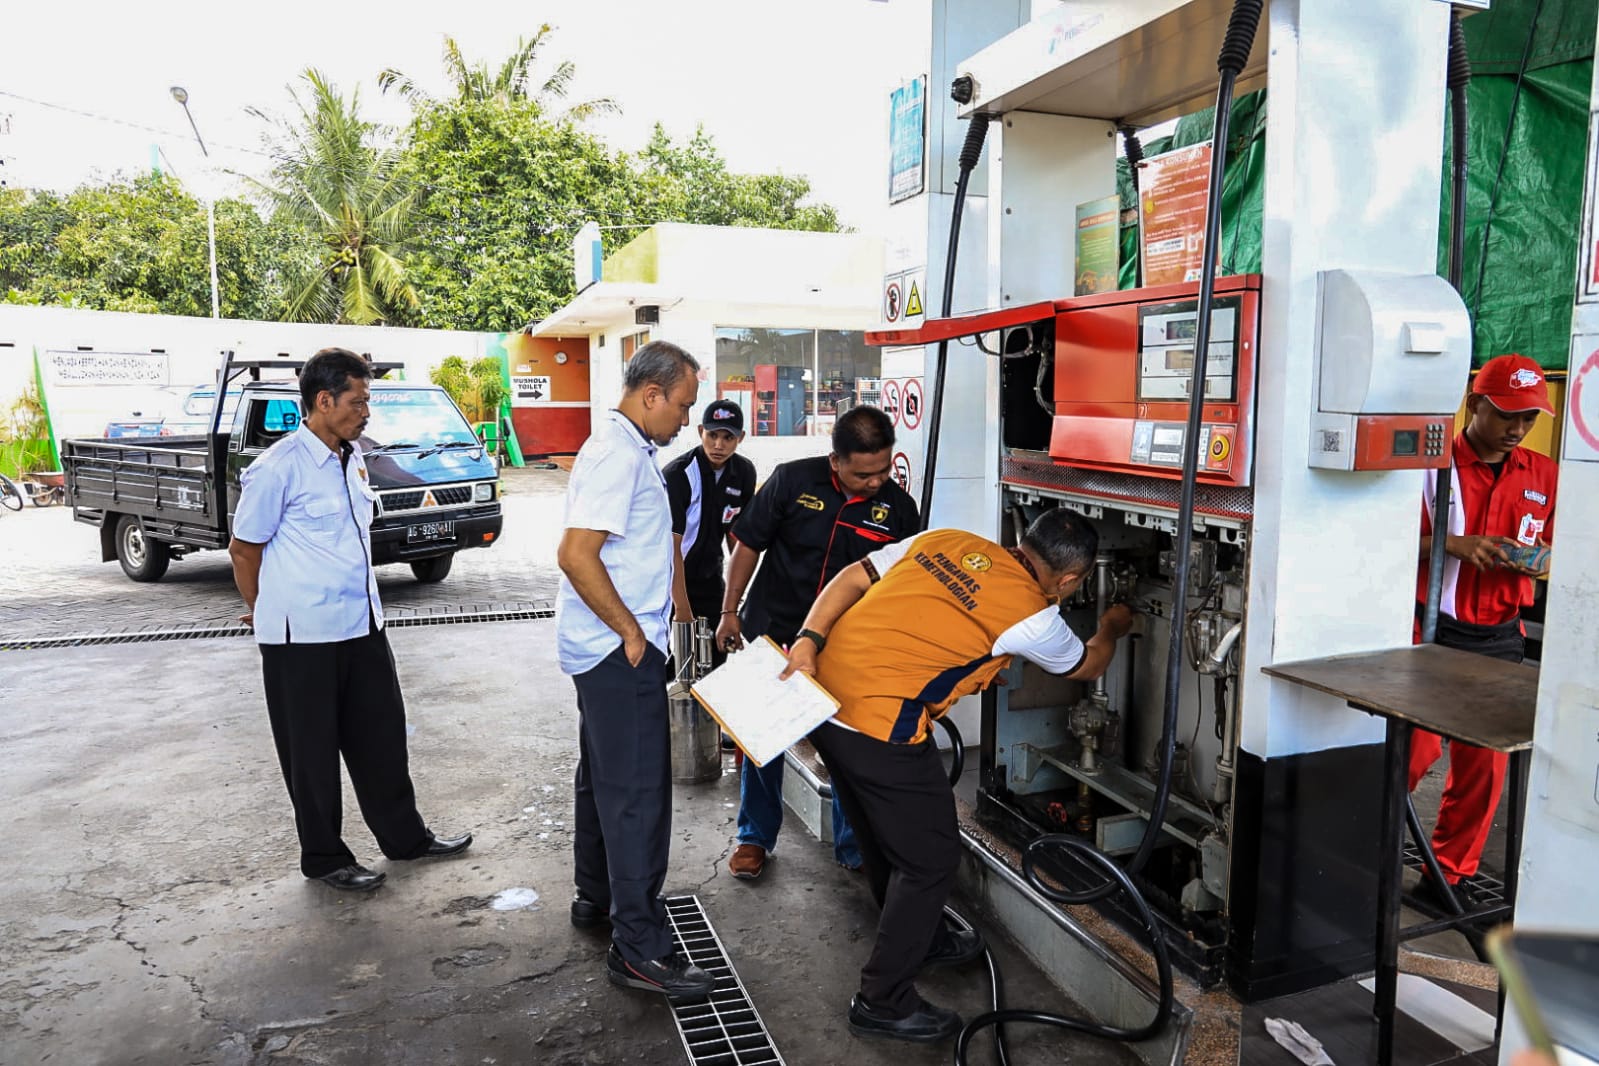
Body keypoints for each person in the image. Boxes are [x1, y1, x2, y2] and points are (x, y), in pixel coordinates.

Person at [779, 509, 1135, 1042]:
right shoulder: (1034, 619)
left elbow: (853, 574)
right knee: (931, 860)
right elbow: (1086, 666)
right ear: (1067, 581)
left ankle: (917, 940)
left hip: (820, 696)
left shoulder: (946, 539)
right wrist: (1113, 624)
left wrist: (808, 638)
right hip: (881, 725)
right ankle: (883, 1000)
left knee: (883, 834)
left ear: (1021, 541)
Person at [228, 348, 471, 894]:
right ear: (323, 400)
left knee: (381, 738)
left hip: (362, 625)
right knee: (311, 754)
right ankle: (324, 856)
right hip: (302, 638)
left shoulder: (353, 456)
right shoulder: (279, 467)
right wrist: (264, 609)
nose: (367, 412)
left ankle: (405, 839)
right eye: (358, 401)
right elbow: (244, 549)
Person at [555, 340, 715, 1001]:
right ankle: (640, 950)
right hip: (616, 654)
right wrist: (630, 634)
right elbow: (575, 554)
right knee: (637, 801)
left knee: (602, 782)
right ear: (651, 394)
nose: (685, 420)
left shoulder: (625, 450)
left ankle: (596, 897)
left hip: (603, 652)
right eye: (681, 406)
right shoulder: (617, 456)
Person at [716, 406, 919, 879]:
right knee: (763, 736)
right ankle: (754, 837)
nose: (875, 482)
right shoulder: (791, 481)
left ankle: (853, 844)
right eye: (864, 473)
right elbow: (748, 543)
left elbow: (904, 586)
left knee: (848, 747)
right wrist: (729, 611)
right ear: (836, 461)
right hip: (775, 627)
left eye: (884, 469)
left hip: (848, 646)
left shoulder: (900, 510)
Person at [1409, 353, 1557, 909]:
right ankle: (1355, 862)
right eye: (1506, 416)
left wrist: (1534, 560)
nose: (1517, 430)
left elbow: (1559, 550)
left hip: (1499, 637)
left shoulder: (1544, 474)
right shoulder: (1430, 464)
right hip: (1431, 632)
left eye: (1528, 419)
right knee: (1411, 756)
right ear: (1474, 406)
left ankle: (1445, 877)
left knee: (1483, 769)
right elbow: (1379, 541)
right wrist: (1451, 543)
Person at [665, 398, 756, 663]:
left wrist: (735, 598)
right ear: (700, 431)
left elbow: (736, 535)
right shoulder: (679, 475)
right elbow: (671, 549)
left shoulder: (744, 472)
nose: (718, 444)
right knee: (675, 661)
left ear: (741, 438)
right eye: (712, 435)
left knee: (716, 655)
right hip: (669, 579)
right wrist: (681, 607)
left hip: (710, 578)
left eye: (728, 437)